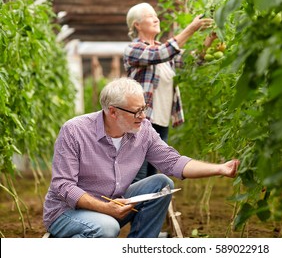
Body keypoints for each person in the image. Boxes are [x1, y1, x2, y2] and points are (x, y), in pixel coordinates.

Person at [43, 77, 239, 238]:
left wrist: (220, 168)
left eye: (144, 108)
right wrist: (105, 209)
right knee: (107, 228)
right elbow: (64, 186)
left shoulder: (143, 130)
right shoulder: (75, 131)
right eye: (136, 111)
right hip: (67, 212)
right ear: (112, 111)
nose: (143, 116)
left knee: (162, 183)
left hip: (113, 205)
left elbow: (173, 162)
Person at [124, 2, 217, 181]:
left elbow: (191, 61)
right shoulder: (134, 50)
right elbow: (161, 53)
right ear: (137, 24)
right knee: (138, 177)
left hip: (160, 123)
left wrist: (209, 40)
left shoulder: (165, 53)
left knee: (152, 176)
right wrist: (191, 28)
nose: (156, 18)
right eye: (150, 16)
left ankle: (147, 209)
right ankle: (125, 209)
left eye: (155, 15)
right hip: (141, 123)